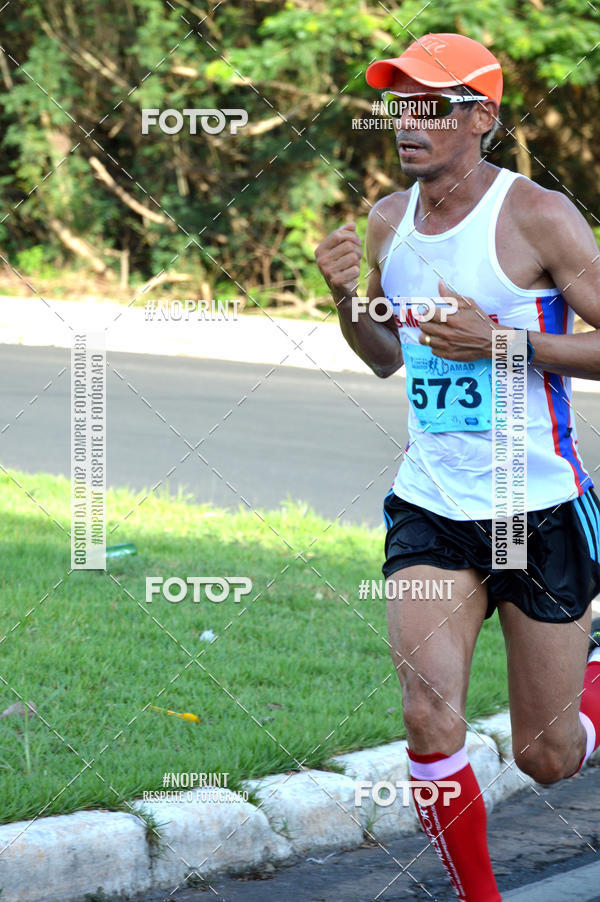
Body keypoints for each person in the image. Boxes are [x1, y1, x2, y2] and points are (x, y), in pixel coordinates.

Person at [315, 32, 600, 902]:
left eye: (432, 105)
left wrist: (502, 342)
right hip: (432, 506)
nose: (408, 121)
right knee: (427, 715)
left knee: (547, 756)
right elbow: (383, 358)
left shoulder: (538, 215)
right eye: (400, 104)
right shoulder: (388, 221)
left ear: (482, 117)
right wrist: (344, 299)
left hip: (540, 506)